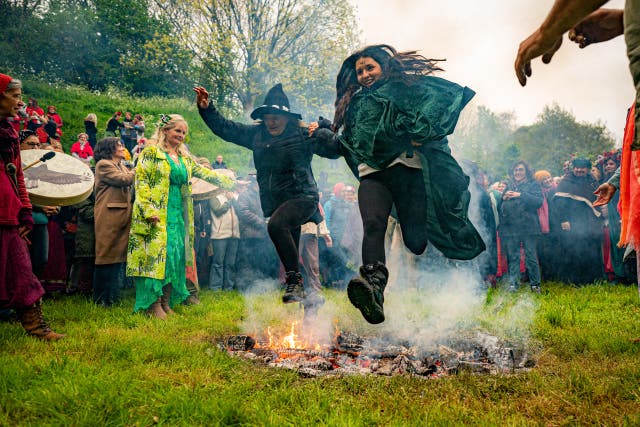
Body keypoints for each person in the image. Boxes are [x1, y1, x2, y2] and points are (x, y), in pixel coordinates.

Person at [310, 44, 485, 323]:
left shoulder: (406, 90)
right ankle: (374, 288)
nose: (365, 74)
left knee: (415, 242)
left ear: (384, 67)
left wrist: (419, 133)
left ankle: (421, 242)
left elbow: (439, 102)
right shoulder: (354, 106)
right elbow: (346, 144)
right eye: (360, 71)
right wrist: (319, 132)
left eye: (370, 68)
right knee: (374, 224)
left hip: (406, 169)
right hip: (373, 174)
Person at [195, 83, 336, 313]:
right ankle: (310, 300)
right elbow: (226, 128)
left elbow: (334, 149)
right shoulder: (256, 135)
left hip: (303, 197)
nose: (272, 122)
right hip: (277, 202)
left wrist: (324, 127)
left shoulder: (302, 135)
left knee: (276, 226)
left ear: (287, 118)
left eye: (277, 117)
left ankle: (295, 282)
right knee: (287, 236)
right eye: (268, 117)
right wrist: (207, 109)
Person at [127, 114, 233, 319]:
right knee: (156, 258)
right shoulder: (151, 153)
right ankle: (153, 304)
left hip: (177, 216)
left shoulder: (184, 159)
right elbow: (142, 184)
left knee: (175, 257)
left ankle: (166, 303)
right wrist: (149, 211)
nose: (181, 135)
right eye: (178, 131)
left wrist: (233, 183)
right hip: (157, 214)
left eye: (184, 132)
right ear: (165, 130)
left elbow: (206, 174)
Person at [0, 72, 64, 340]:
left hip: (6, 214)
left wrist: (25, 210)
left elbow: (19, 179)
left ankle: (36, 327)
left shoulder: (9, 132)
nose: (20, 101)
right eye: (15, 95)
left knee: (22, 269)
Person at [93, 137, 135, 306]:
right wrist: (138, 170)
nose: (122, 148)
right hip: (109, 214)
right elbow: (124, 180)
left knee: (117, 257)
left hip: (122, 214)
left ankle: (112, 296)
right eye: (119, 145)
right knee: (105, 256)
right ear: (109, 148)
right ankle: (100, 298)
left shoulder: (121, 165)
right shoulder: (103, 164)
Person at [553, 158, 604, 284]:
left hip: (589, 220)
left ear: (587, 169)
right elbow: (559, 203)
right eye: (576, 167)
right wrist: (564, 219)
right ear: (573, 168)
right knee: (575, 249)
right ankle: (575, 279)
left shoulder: (592, 181)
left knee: (591, 249)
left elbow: (598, 200)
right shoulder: (566, 181)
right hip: (572, 220)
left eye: (582, 168)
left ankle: (592, 278)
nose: (579, 170)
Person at [499, 161, 543, 293]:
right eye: (515, 170)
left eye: (520, 170)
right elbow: (502, 206)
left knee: (530, 256)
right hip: (511, 227)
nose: (517, 172)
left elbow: (538, 202)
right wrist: (504, 198)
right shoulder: (510, 185)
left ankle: (535, 285)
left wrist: (520, 195)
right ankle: (514, 284)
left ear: (526, 171)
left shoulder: (533, 184)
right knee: (513, 256)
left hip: (528, 226)